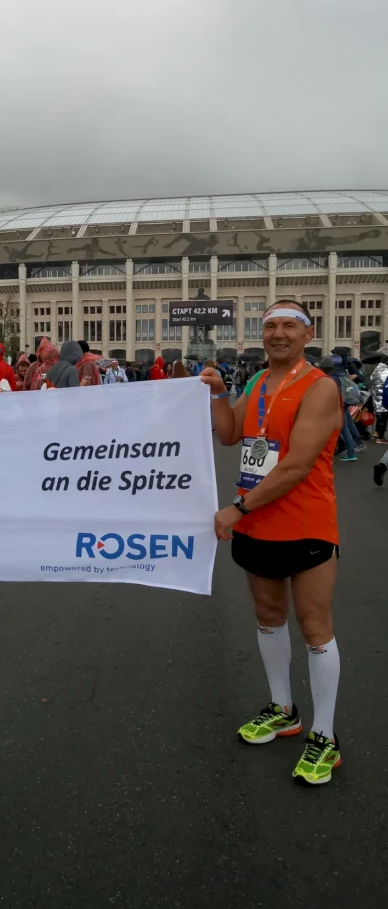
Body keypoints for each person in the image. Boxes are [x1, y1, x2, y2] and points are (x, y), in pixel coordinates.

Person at [202, 299, 343, 786]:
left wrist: (235, 509)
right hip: (258, 524)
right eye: (270, 326)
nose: (278, 333)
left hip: (305, 522)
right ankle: (284, 710)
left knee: (314, 625)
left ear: (308, 334)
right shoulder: (260, 383)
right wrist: (220, 393)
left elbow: (298, 465)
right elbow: (228, 435)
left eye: (290, 326)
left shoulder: (320, 388)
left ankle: (324, 736)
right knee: (268, 617)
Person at [321, 355, 363, 461]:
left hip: (338, 405)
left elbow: (332, 393)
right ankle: (357, 443)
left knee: (344, 429)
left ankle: (351, 453)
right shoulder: (341, 375)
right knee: (348, 425)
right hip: (344, 404)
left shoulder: (332, 378)